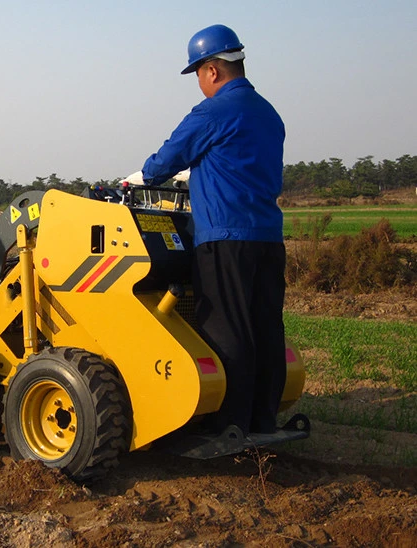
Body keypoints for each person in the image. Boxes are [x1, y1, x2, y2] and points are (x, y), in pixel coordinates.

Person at [123, 24, 287, 436]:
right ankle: (262, 421)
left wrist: (136, 178)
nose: (198, 81)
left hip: (225, 239)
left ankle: (229, 426)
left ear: (212, 70)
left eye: (197, 73)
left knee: (227, 328)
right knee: (265, 327)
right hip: (267, 237)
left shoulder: (214, 112)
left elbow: (168, 159)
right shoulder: (269, 114)